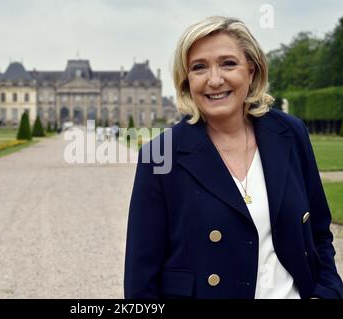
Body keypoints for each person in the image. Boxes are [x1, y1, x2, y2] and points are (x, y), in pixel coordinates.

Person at [124, 16, 343, 299]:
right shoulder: (159, 155)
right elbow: (141, 282)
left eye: (228, 63)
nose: (215, 80)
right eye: (199, 67)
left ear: (251, 70)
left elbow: (319, 235)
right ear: (187, 80)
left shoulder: (290, 133)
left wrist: (326, 294)